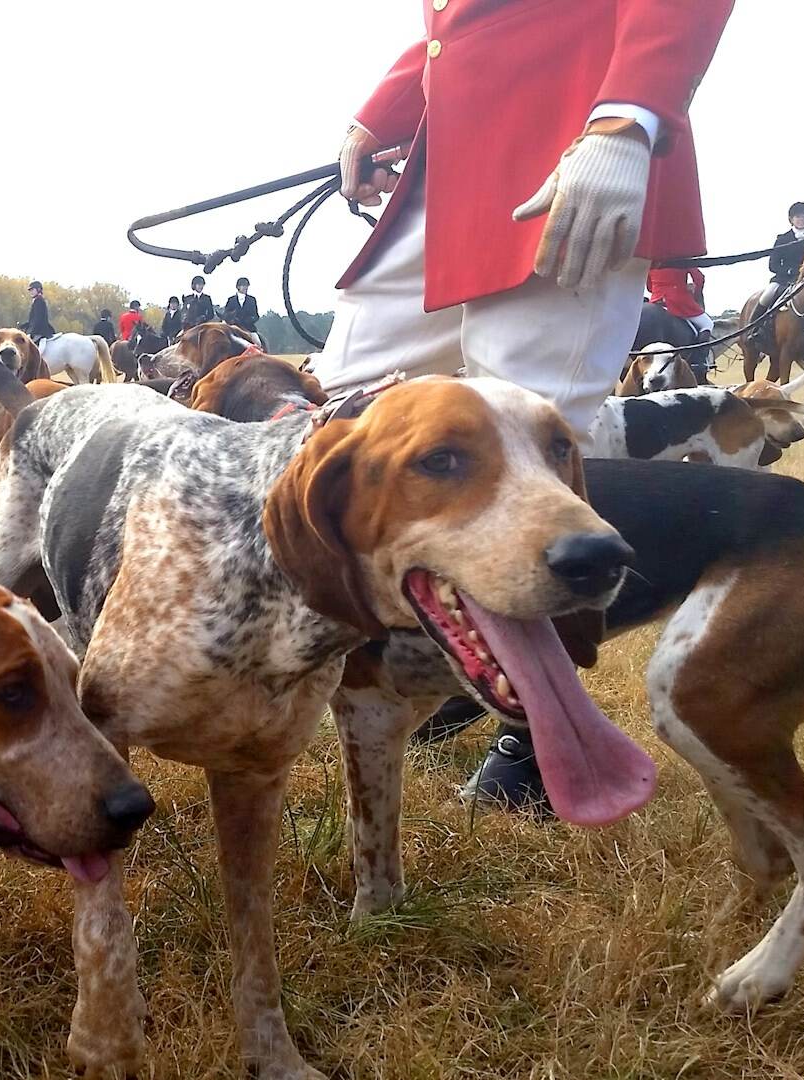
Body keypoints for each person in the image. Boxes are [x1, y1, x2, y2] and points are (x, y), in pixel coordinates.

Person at [317, 0, 733, 814]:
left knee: (530, 454)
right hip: (447, 164)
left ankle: (536, 733)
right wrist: (385, 111)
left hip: (571, 141)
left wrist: (628, 118)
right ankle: (444, 657)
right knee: (345, 416)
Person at [647, 263, 710, 337]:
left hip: (655, 301)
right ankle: (700, 348)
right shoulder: (682, 254)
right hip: (678, 301)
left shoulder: (653, 259)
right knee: (707, 324)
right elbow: (699, 278)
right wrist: (694, 292)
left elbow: (649, 287)